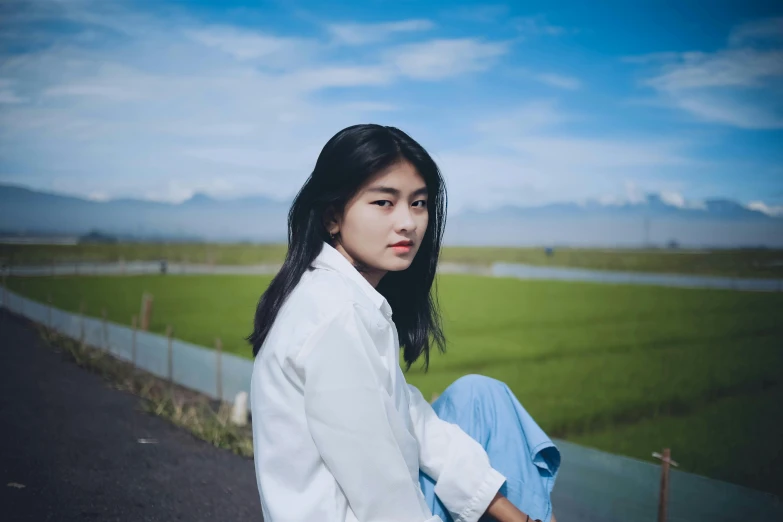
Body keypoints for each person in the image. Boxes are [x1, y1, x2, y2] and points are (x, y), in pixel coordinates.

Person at [248, 124, 560, 522]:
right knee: (486, 407)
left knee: (479, 396)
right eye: (383, 202)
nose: (408, 223)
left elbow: (409, 415)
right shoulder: (336, 316)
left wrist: (505, 509)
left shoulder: (342, 296)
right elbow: (382, 493)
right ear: (332, 217)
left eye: (418, 203)